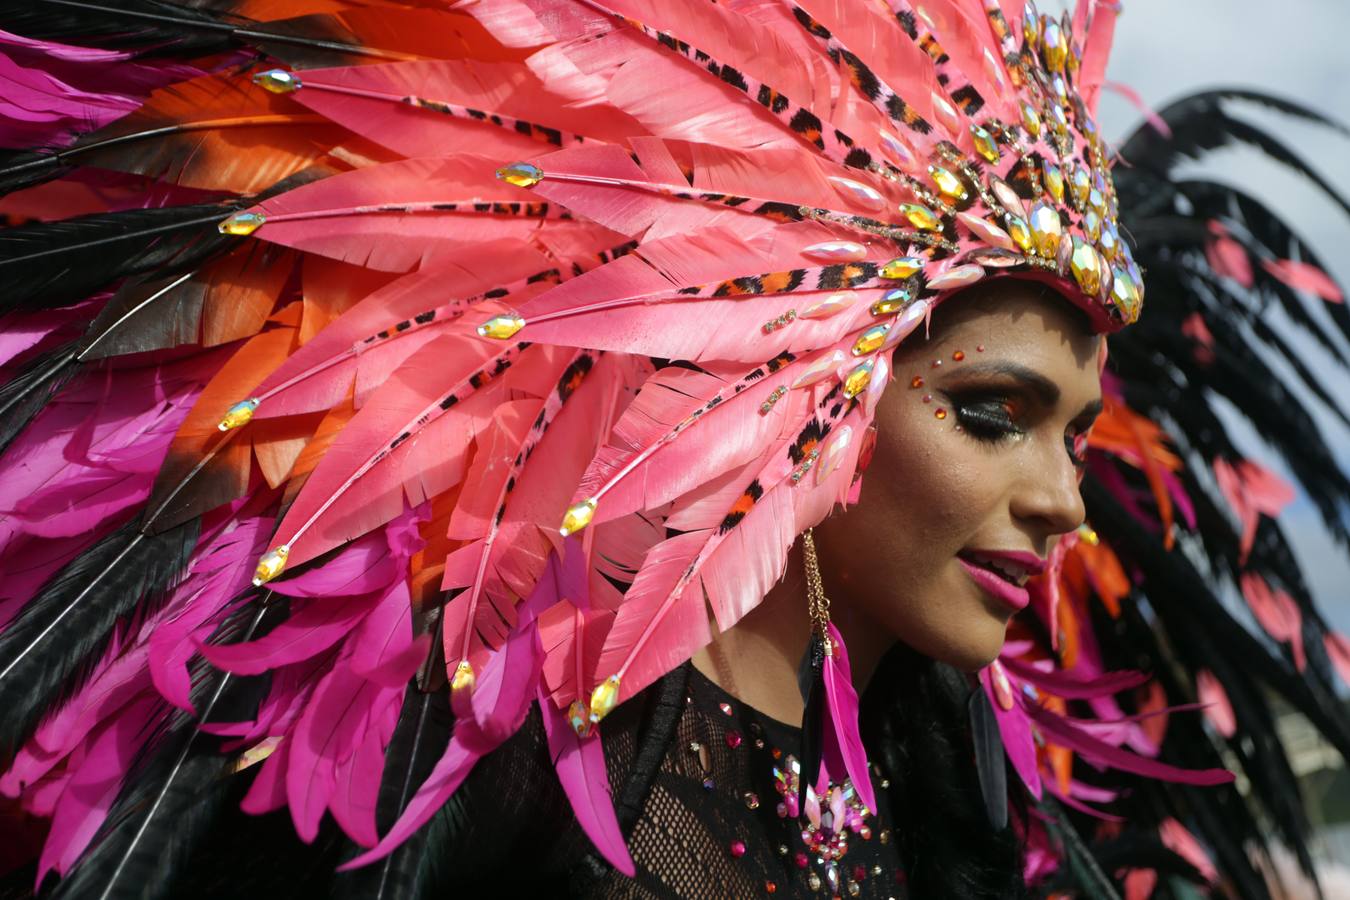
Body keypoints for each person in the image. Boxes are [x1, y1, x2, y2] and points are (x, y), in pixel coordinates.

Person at [0, 2, 1346, 898]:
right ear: (817, 392)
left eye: (1071, 430)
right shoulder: (497, 761)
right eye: (990, 415)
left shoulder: (961, 785)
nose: (1064, 503)